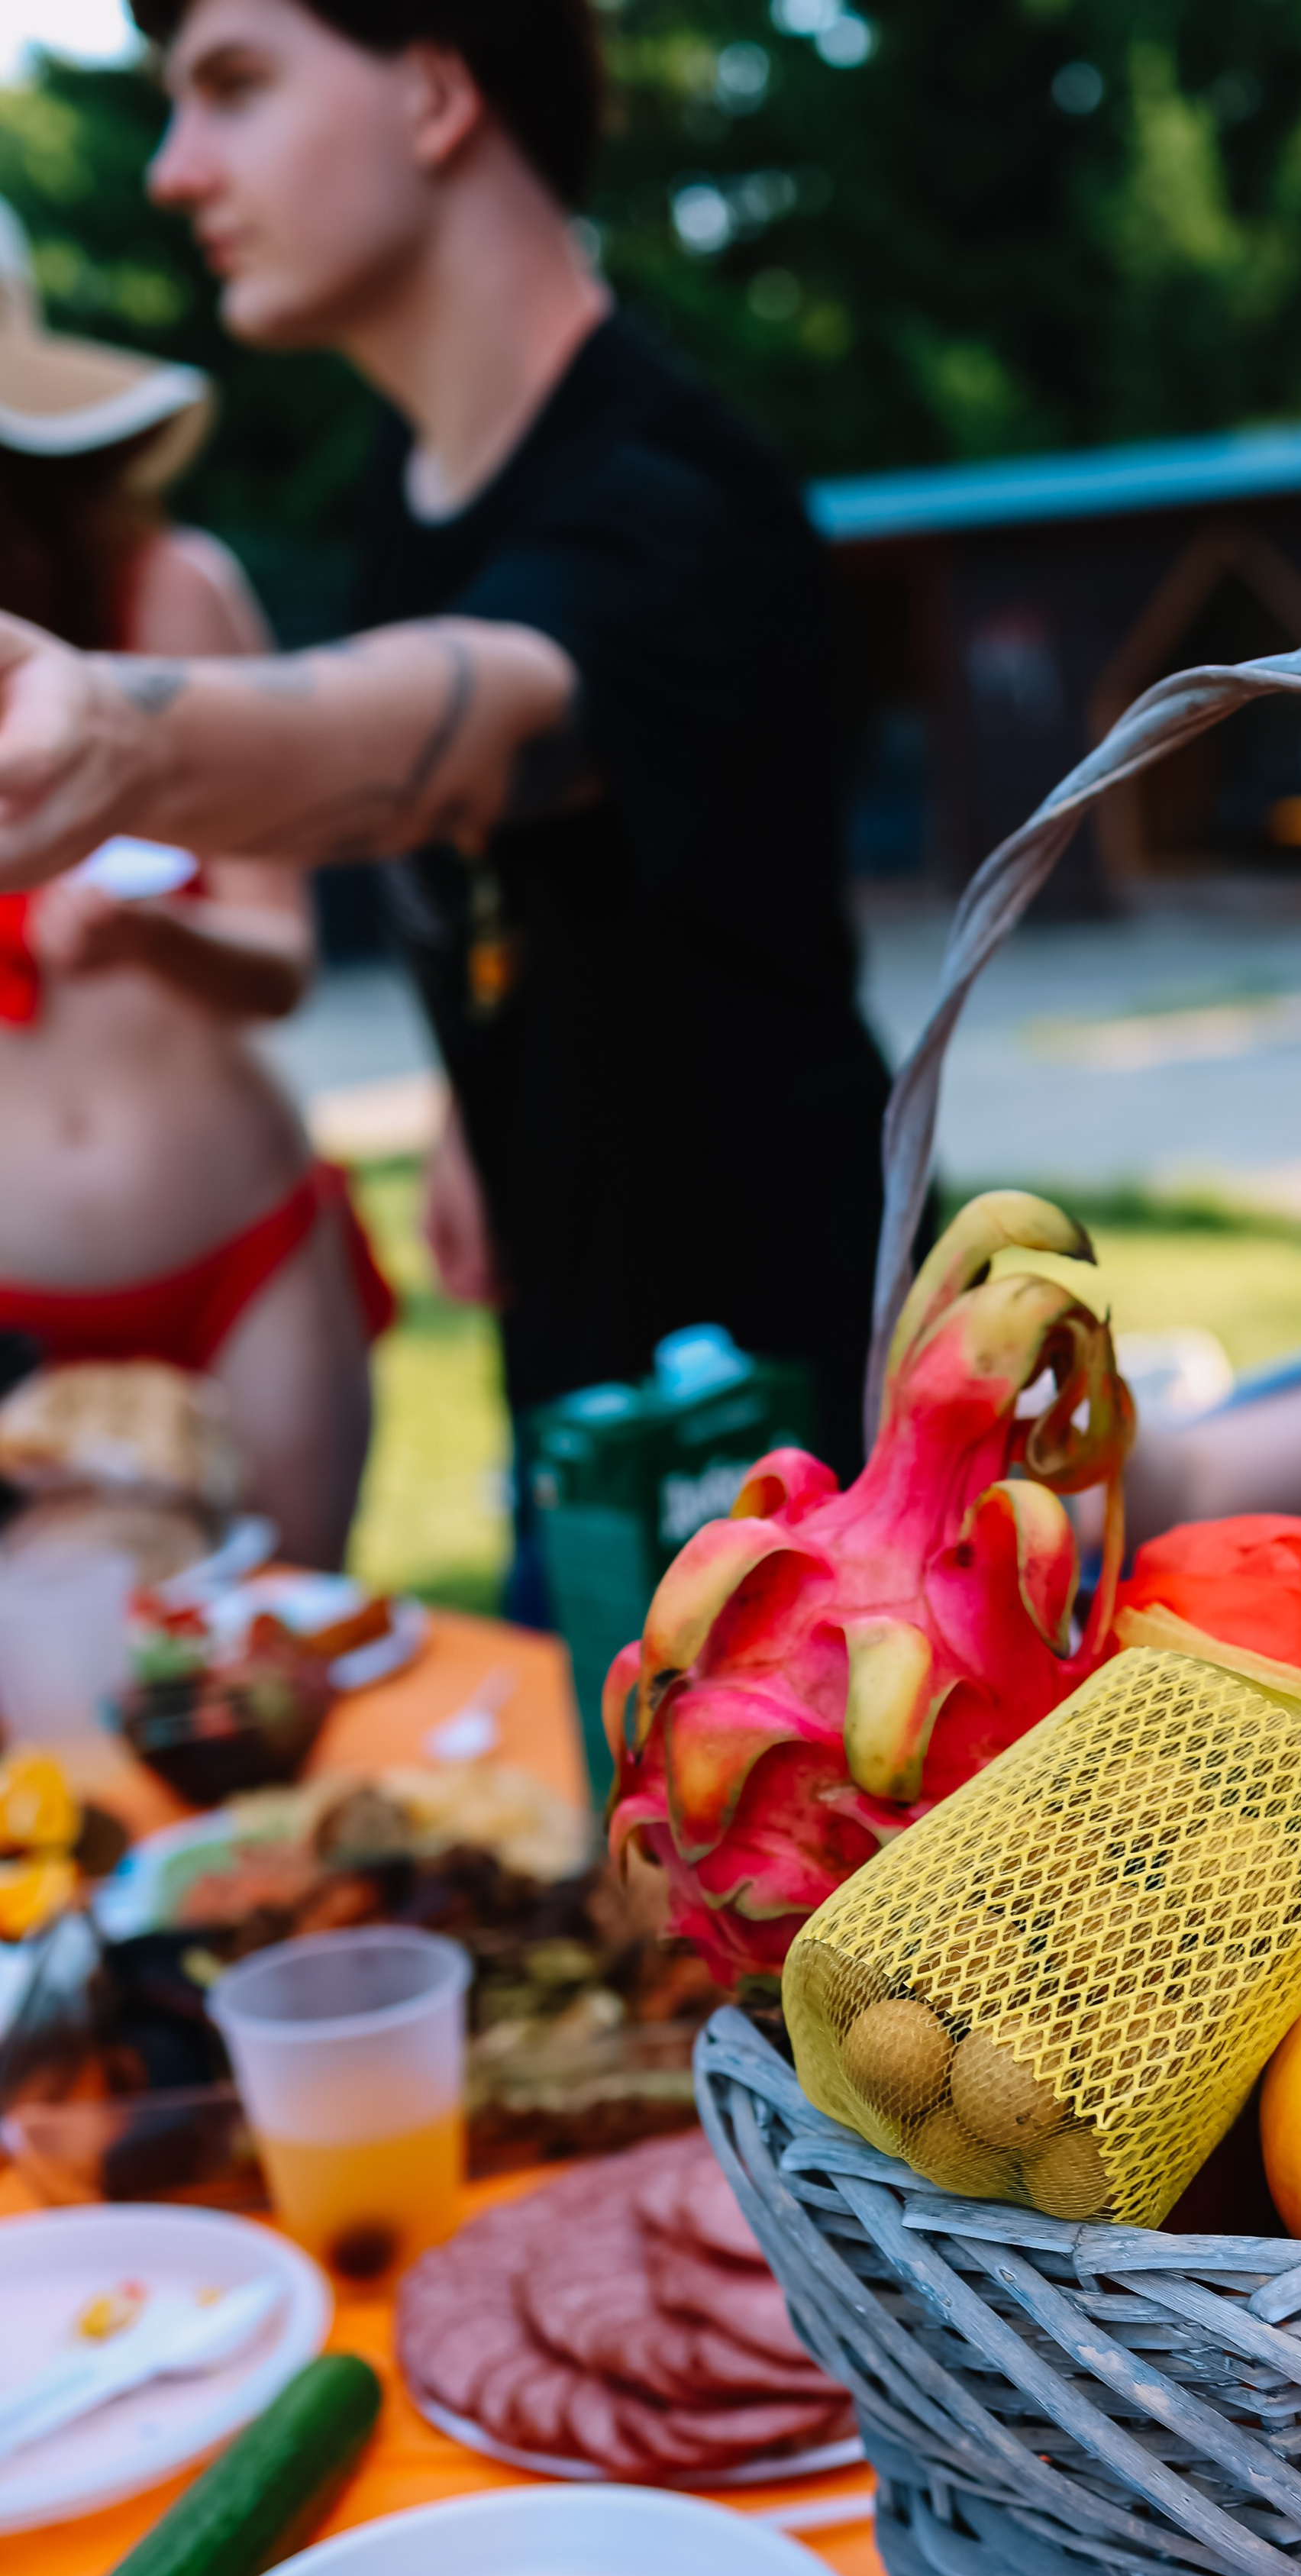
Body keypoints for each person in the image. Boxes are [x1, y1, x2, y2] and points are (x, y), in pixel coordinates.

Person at [0, 0, 892, 1602]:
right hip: (576, 1394)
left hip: (803, 1443)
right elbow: (524, 872)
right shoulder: (413, 492)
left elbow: (479, 716)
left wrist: (121, 737)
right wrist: (475, 1111)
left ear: (430, 91)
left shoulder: (671, 494)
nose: (170, 171)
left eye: (233, 87)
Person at [0, 198, 379, 1567]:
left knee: (288, 1673)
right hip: (15, 1327)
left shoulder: (170, 597)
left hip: (243, 1258)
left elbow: (281, 961)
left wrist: (161, 938)